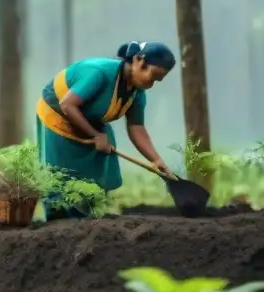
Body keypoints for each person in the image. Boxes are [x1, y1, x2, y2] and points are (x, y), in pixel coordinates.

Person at [36, 41, 177, 221]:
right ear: (139, 61)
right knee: (61, 180)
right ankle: (61, 225)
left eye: (158, 80)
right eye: (153, 76)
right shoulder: (99, 73)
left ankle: (90, 220)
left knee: (97, 175)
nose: (152, 83)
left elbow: (136, 127)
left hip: (92, 122)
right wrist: (95, 136)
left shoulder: (137, 92)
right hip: (59, 120)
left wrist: (156, 160)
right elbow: (67, 104)